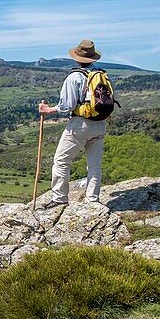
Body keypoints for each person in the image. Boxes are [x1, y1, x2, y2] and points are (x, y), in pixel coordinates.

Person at [37, 39, 106, 206]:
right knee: (94, 165)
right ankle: (93, 200)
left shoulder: (74, 77)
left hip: (80, 124)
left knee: (61, 161)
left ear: (77, 58)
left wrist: (47, 110)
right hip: (100, 123)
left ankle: (60, 199)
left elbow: (67, 106)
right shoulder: (101, 75)